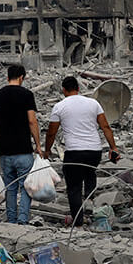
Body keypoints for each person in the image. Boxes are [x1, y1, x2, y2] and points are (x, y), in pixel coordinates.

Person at [44, 76, 120, 226]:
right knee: (90, 172)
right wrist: (113, 148)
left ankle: (78, 221)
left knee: (73, 186)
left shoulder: (59, 106)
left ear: (63, 90)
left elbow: (51, 132)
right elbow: (105, 127)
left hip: (74, 152)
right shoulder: (93, 103)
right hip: (94, 151)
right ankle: (89, 200)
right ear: (78, 89)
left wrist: (47, 150)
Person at [0, 64, 42, 225]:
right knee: (26, 186)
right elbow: (32, 121)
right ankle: (22, 219)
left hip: (5, 150)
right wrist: (38, 145)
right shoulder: (27, 95)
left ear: (7, 77)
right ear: (21, 78)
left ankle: (11, 220)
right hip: (23, 149)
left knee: (10, 187)